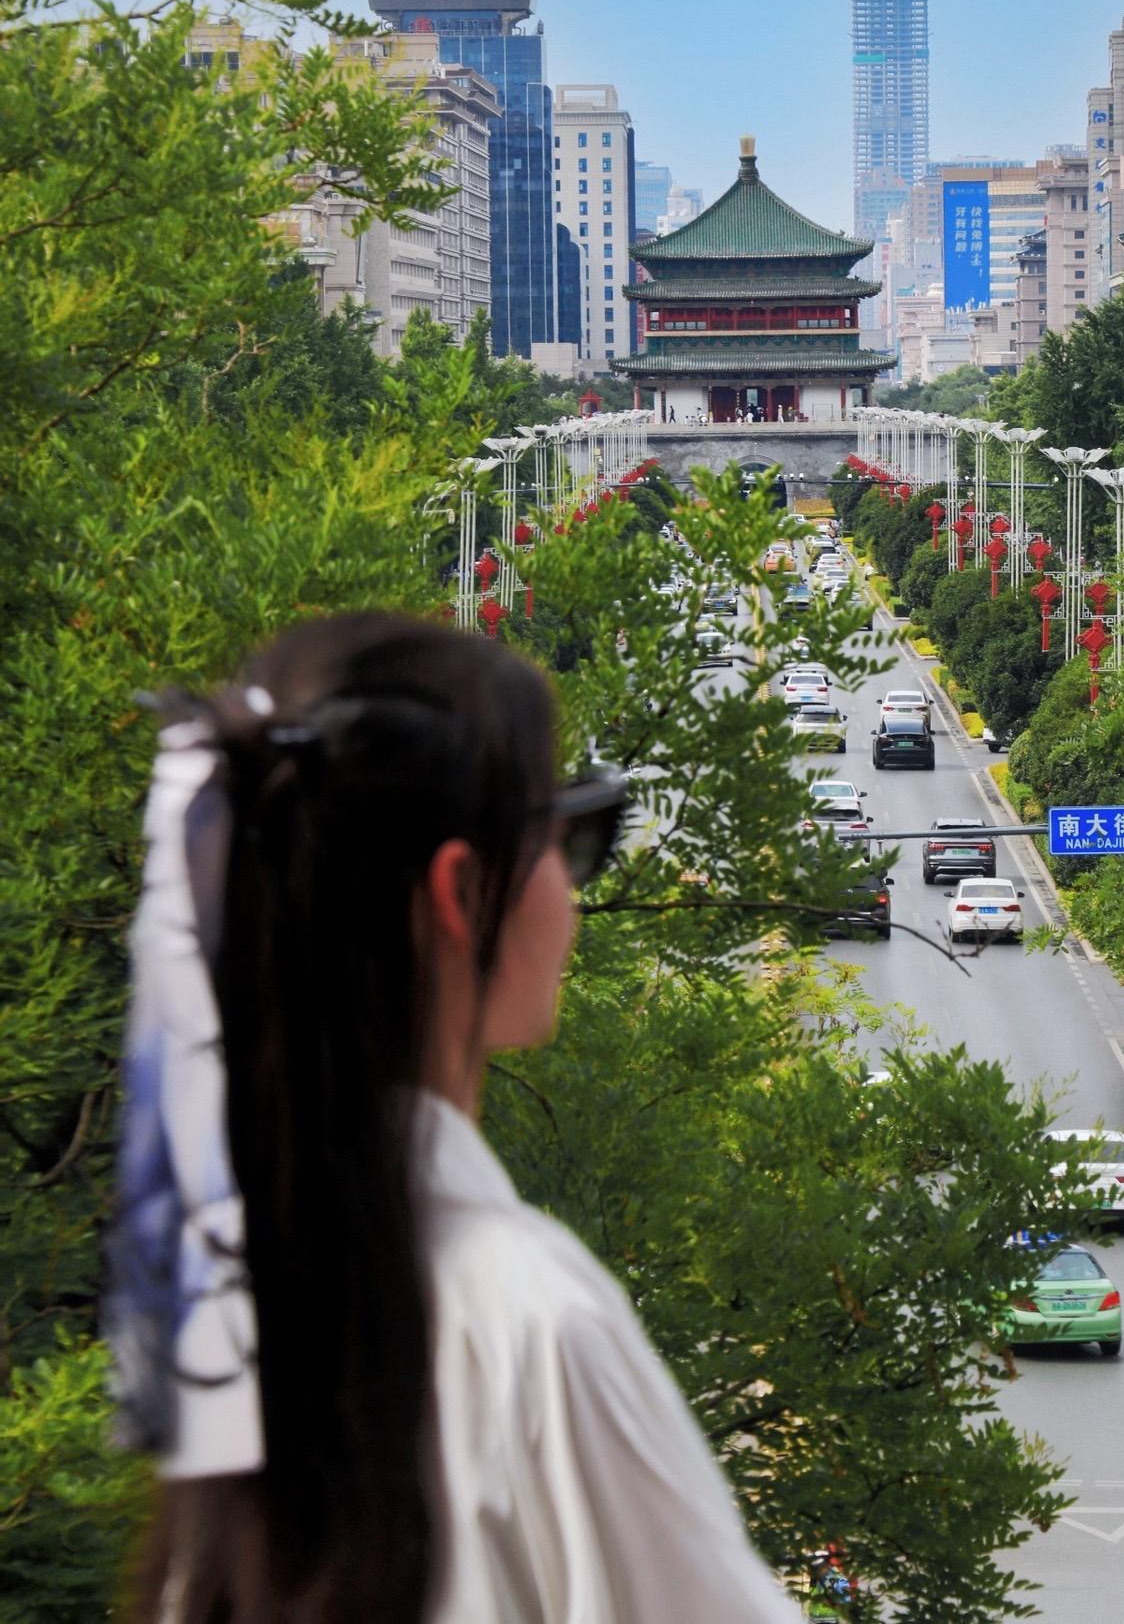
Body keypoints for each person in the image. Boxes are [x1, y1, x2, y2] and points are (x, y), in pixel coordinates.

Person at [108, 613, 800, 1623]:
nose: (571, 890)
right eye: (570, 838)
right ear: (463, 889)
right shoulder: (534, 1322)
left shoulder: (218, 1286)